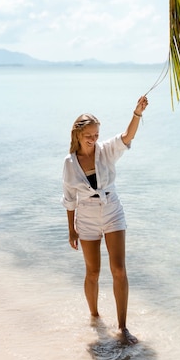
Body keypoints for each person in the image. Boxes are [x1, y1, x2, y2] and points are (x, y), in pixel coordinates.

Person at [61, 95, 148, 345]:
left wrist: (137, 113)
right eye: (89, 135)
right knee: (93, 272)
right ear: (77, 134)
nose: (93, 139)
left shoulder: (106, 150)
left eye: (96, 134)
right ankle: (95, 318)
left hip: (112, 210)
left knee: (119, 270)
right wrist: (71, 230)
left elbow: (126, 137)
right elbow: (69, 198)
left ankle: (122, 328)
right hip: (86, 216)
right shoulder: (69, 163)